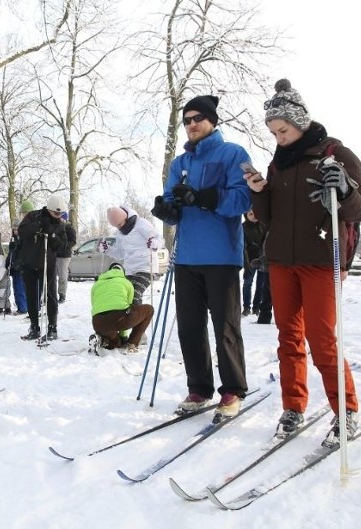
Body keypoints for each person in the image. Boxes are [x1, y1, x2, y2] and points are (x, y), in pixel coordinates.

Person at [247, 79, 361, 447]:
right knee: (288, 337)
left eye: (282, 130)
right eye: (273, 132)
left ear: (300, 122)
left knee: (321, 339)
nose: (278, 138)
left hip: (320, 259)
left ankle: (345, 409)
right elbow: (269, 216)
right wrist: (258, 192)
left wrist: (345, 188)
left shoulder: (336, 154)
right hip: (282, 260)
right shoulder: (278, 163)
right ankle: (293, 405)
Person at [149, 94, 250, 420]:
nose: (191, 125)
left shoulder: (233, 153)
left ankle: (232, 390)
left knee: (225, 327)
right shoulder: (180, 164)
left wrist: (206, 197)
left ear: (212, 120)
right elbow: (171, 206)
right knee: (189, 327)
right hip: (187, 256)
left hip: (221, 254)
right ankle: (199, 388)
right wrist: (166, 209)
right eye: (187, 120)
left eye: (197, 118)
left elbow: (243, 199)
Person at [18, 195, 69, 341]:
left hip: (48, 264)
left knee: (50, 295)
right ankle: (34, 326)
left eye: (59, 214)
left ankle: (52, 327)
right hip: (29, 262)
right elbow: (22, 232)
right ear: (49, 209)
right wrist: (38, 224)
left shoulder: (60, 224)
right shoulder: (33, 216)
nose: (57, 216)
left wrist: (51, 235)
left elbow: (62, 246)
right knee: (31, 295)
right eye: (55, 213)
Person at [101, 206, 164, 302]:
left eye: (120, 224)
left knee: (133, 296)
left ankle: (136, 316)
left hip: (146, 268)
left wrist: (155, 243)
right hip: (130, 270)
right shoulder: (119, 233)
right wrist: (107, 249)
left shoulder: (141, 224)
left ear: (125, 218)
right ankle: (137, 317)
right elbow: (121, 253)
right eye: (116, 226)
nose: (119, 227)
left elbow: (159, 239)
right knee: (127, 298)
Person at [90, 263, 155, 355]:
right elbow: (128, 308)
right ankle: (132, 343)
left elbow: (94, 306)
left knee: (116, 343)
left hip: (98, 322)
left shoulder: (96, 285)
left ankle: (102, 340)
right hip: (120, 318)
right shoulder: (127, 283)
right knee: (149, 310)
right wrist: (124, 337)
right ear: (123, 273)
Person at [242, 209, 267, 316]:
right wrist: (247, 264)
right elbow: (244, 247)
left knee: (260, 285)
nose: (253, 216)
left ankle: (256, 307)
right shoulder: (243, 227)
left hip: (262, 260)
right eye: (251, 214)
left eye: (255, 213)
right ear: (246, 215)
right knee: (248, 283)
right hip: (250, 260)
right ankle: (246, 307)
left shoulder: (263, 225)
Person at [54, 211, 77, 303]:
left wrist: (65, 246)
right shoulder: (56, 227)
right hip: (55, 254)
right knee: (52, 276)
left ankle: (62, 294)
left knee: (62, 275)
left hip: (64, 255)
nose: (60, 219)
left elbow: (73, 241)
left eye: (61, 218)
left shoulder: (69, 228)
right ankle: (51, 293)